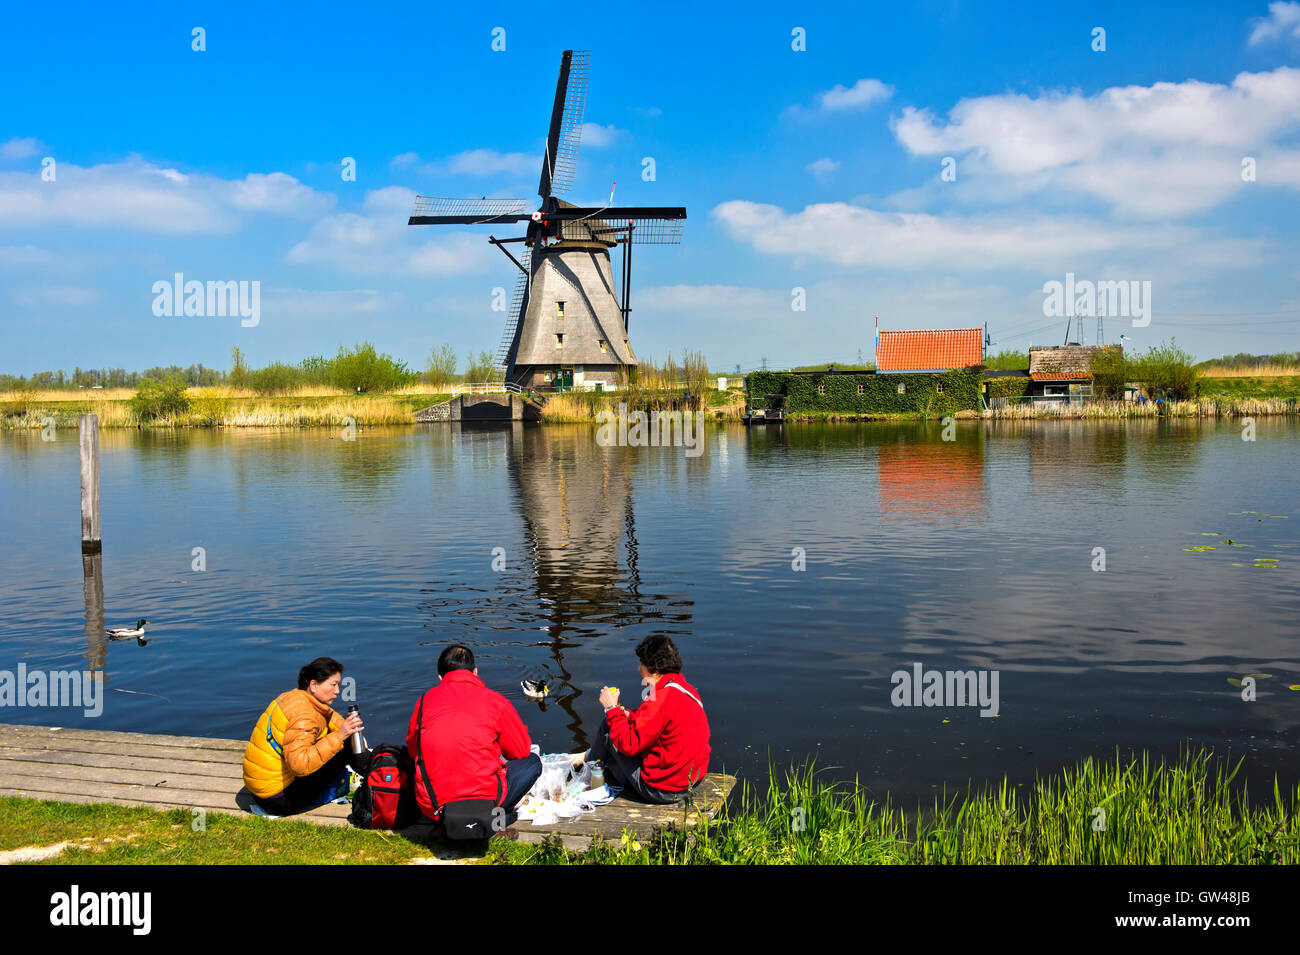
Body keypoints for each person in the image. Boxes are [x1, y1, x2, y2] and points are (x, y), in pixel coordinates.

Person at [406, 645, 541, 824]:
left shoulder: (424, 702)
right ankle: (500, 817)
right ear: (475, 672)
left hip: (435, 807)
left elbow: (413, 750)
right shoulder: (495, 700)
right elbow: (520, 751)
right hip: (486, 803)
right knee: (531, 762)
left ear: (440, 678)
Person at [585, 635, 710, 804]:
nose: (639, 669)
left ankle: (590, 773)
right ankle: (598, 765)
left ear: (654, 669)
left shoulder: (659, 698)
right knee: (619, 722)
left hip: (662, 790)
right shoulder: (684, 688)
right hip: (691, 782)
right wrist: (629, 715)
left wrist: (611, 709)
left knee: (609, 726)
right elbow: (657, 720)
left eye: (641, 663)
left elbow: (629, 745)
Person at [242, 657, 364, 816]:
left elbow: (327, 716)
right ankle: (355, 779)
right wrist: (340, 737)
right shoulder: (304, 716)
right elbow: (299, 766)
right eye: (333, 685)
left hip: (259, 790)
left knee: (342, 739)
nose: (337, 691)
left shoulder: (293, 697)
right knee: (342, 747)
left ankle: (354, 771)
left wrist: (347, 728)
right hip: (278, 801)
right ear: (313, 685)